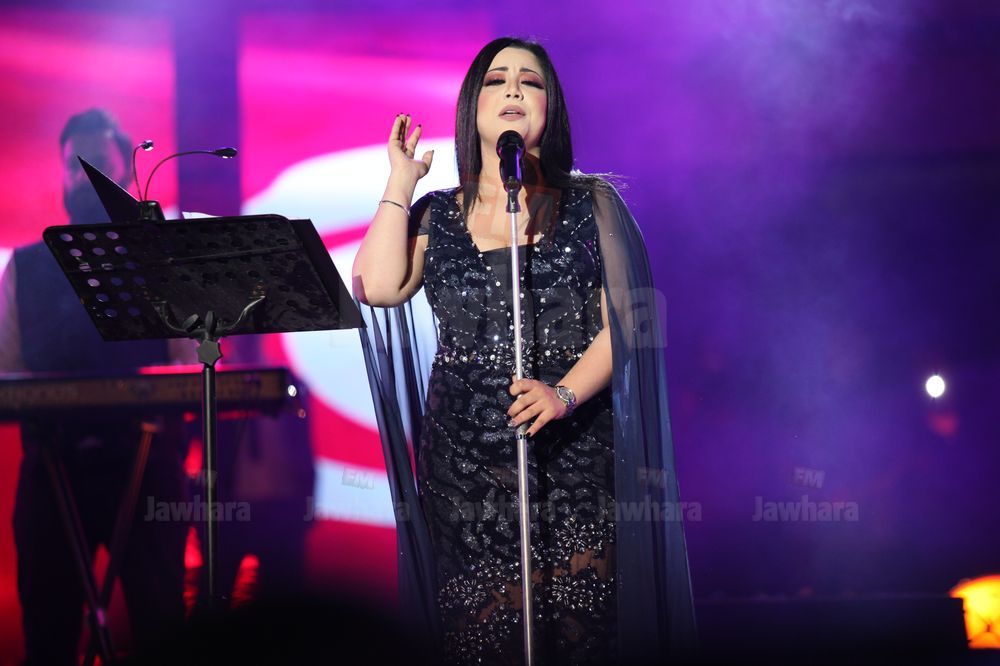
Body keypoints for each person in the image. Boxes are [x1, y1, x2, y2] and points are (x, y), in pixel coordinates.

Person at [353, 38, 697, 665]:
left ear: (549, 107)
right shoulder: (436, 215)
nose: (513, 89)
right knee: (479, 641)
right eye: (497, 79)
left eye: (530, 81)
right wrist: (400, 181)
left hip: (569, 454)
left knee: (576, 633)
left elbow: (628, 323)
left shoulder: (591, 204)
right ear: (472, 105)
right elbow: (376, 286)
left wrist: (563, 394)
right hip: (462, 469)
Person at [0, 108, 189, 665]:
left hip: (147, 458)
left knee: (161, 630)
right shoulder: (24, 268)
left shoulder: (159, 261)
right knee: (48, 636)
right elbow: (8, 373)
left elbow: (186, 367)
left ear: (125, 173)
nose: (81, 177)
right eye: (72, 166)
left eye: (96, 164)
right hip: (53, 461)